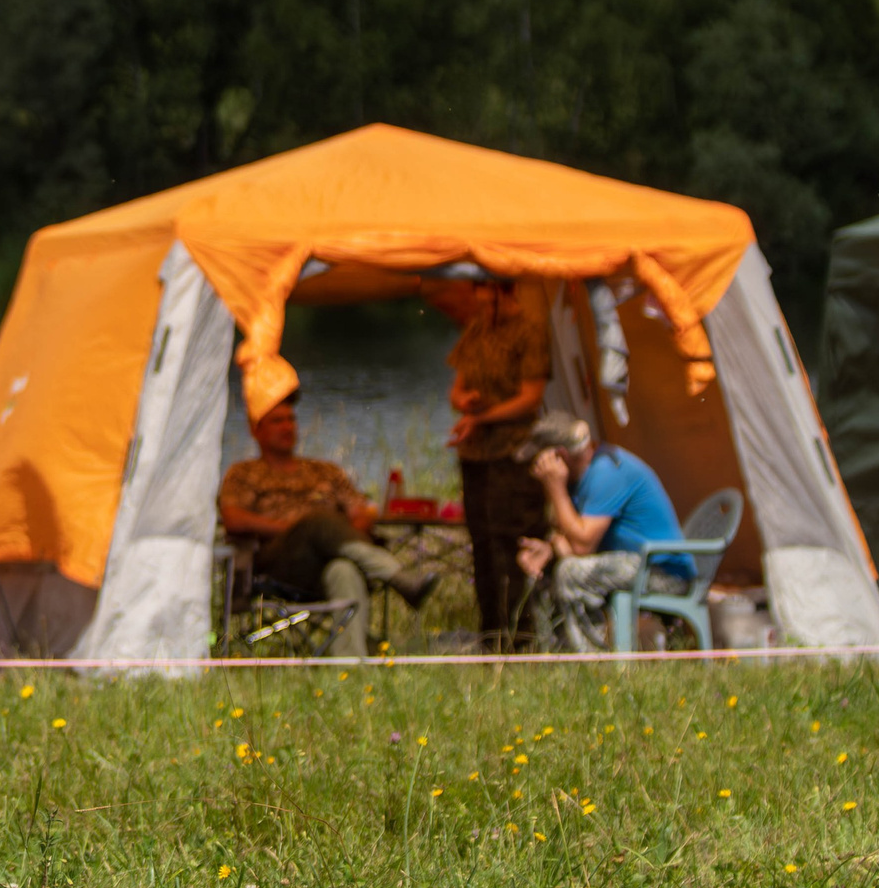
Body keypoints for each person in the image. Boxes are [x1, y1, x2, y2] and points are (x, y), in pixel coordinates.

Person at [219, 394, 434, 661]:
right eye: (277, 421)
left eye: (291, 420)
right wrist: (293, 528)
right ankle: (396, 575)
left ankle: (350, 665)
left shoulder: (324, 470)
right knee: (317, 521)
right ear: (256, 430)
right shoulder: (243, 473)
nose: (287, 427)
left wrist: (342, 533)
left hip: (328, 557)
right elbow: (233, 518)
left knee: (343, 569)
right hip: (281, 562)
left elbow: (363, 512)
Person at [430, 278, 551, 644]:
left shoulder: (530, 332)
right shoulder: (478, 329)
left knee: (511, 542)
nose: (483, 308)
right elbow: (457, 388)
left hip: (514, 453)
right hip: (476, 454)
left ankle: (523, 635)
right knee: (482, 544)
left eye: (488, 301)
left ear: (505, 292)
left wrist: (482, 417)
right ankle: (492, 635)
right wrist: (465, 402)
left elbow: (531, 397)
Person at [514, 412, 695, 654]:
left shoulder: (607, 472)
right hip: (633, 564)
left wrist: (555, 488)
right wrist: (549, 549)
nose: (535, 470)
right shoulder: (582, 476)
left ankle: (594, 659)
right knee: (551, 572)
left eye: (538, 462)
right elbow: (572, 539)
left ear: (559, 456)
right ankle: (555, 654)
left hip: (664, 573)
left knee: (571, 573)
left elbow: (581, 548)